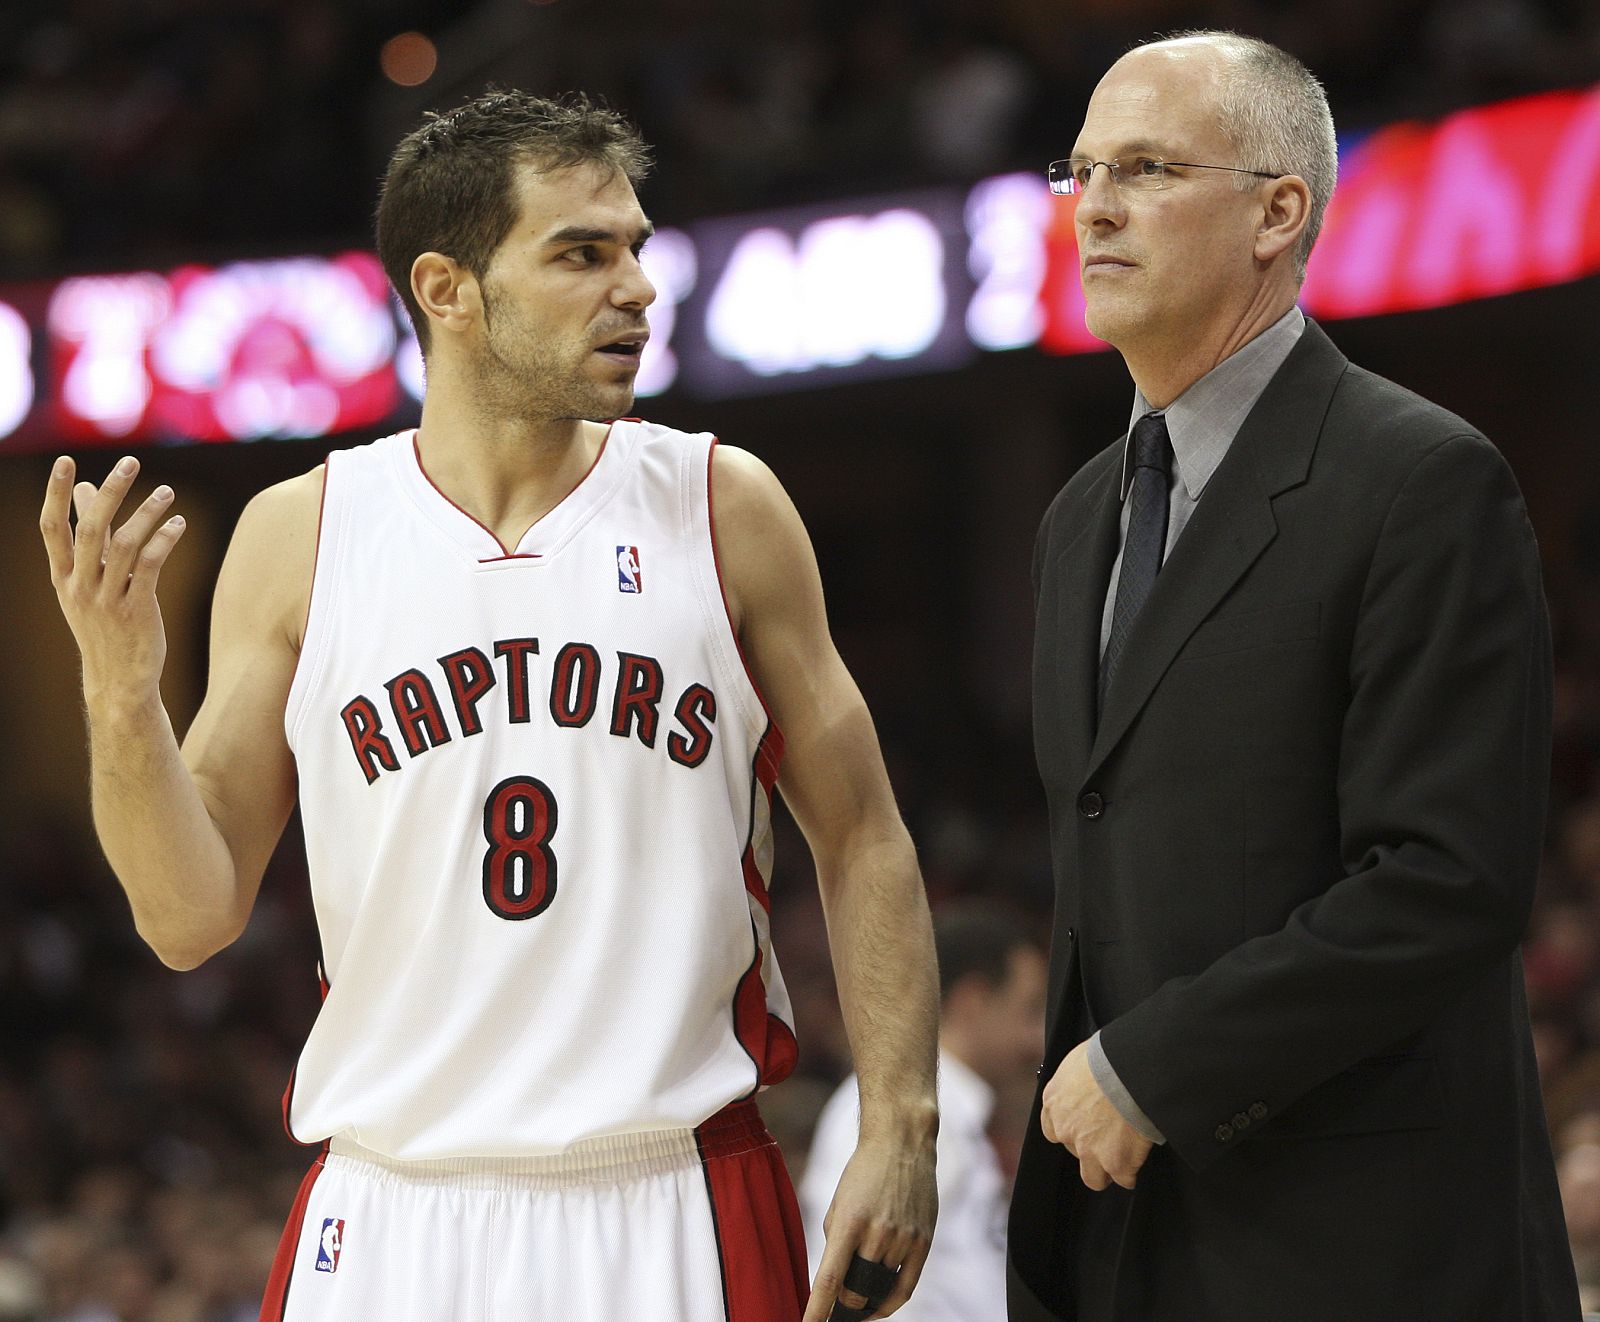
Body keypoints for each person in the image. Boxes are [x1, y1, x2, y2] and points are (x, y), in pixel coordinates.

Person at [38, 91, 939, 1322]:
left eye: (636, 247)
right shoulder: (299, 535)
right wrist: (118, 688)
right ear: (447, 287)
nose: (634, 287)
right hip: (390, 1205)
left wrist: (899, 1116)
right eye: (580, 252)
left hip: (666, 1186)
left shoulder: (723, 506)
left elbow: (863, 832)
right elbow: (185, 915)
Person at [1009, 30, 1580, 1322]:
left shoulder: (1422, 478)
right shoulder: (1075, 517)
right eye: (1083, 168)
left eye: (1147, 167)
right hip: (1123, 1233)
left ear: (1280, 210)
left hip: (1361, 1244)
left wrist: (1155, 1067)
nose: (1095, 203)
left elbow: (1446, 879)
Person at [802, 905, 1045, 1322]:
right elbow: (859, 1293)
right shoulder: (898, 1114)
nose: (1038, 1038)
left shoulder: (956, 1110)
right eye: (1031, 1009)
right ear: (975, 1000)